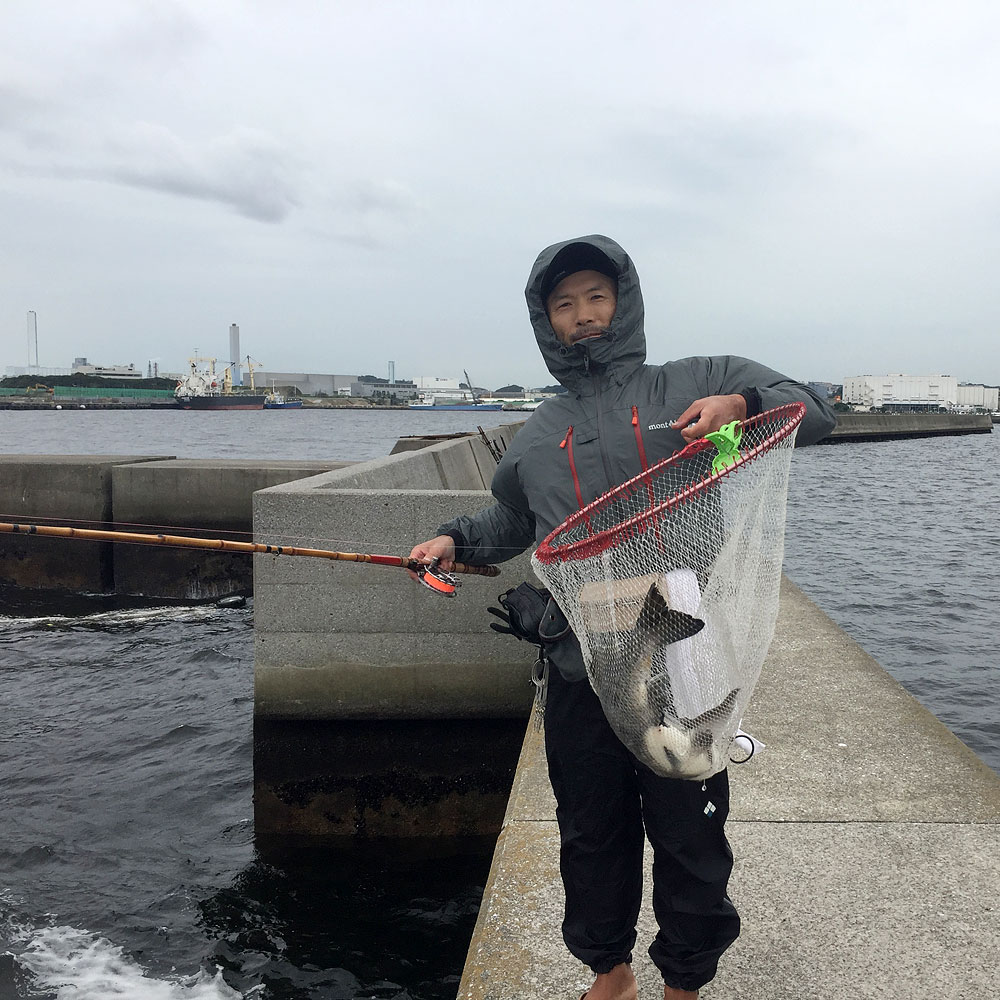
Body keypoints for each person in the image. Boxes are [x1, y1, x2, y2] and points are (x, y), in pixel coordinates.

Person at [409, 235, 836, 1000]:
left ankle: (686, 980)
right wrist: (453, 538)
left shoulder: (699, 381)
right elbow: (513, 519)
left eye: (596, 297)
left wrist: (743, 408)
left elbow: (817, 411)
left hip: (682, 645)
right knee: (591, 827)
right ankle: (611, 970)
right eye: (564, 305)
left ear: (624, 301)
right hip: (580, 657)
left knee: (689, 822)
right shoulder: (538, 433)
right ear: (547, 322)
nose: (583, 317)